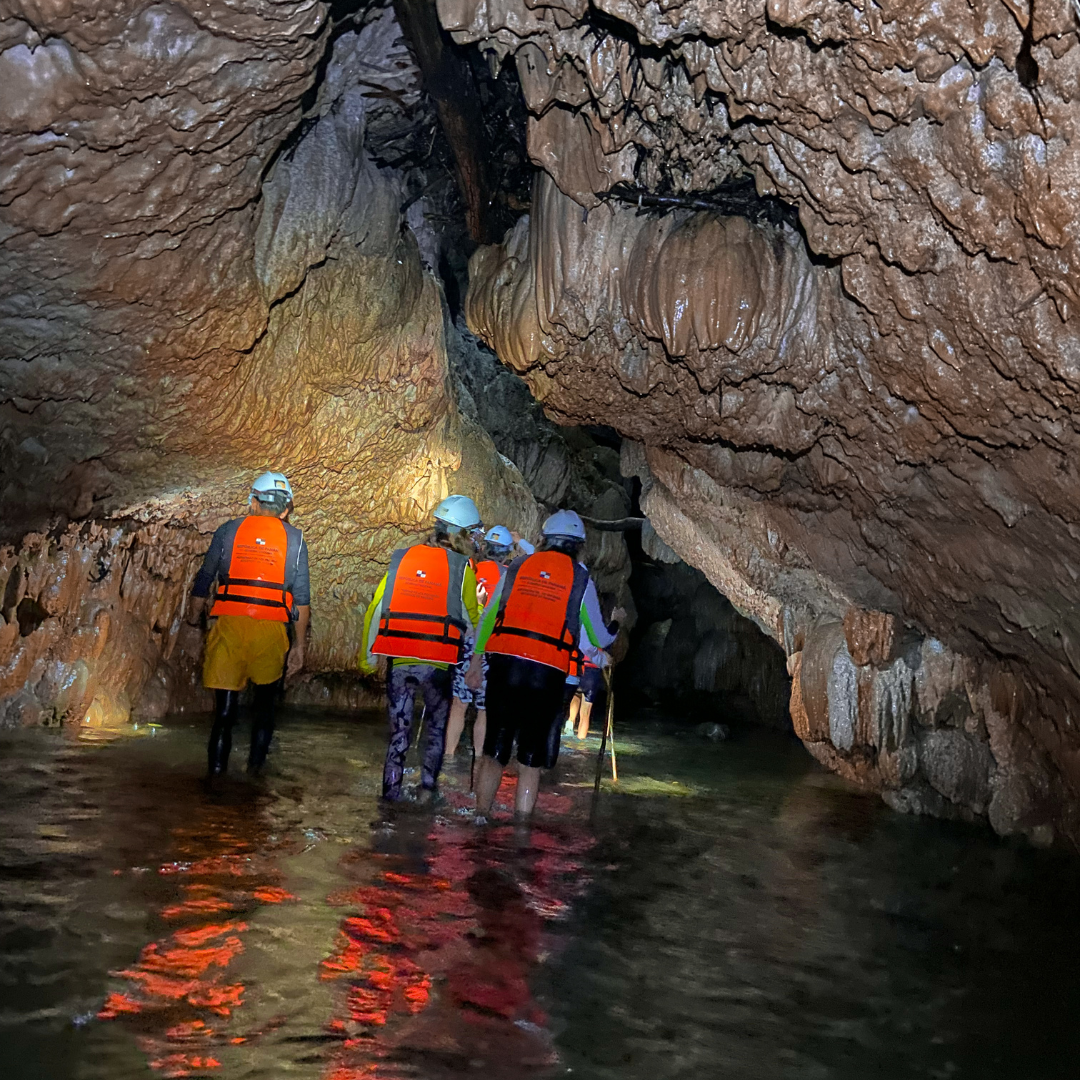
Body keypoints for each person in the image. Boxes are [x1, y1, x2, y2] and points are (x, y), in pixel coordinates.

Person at [471, 509, 620, 819]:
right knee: (530, 758)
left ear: (544, 539)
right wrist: (618, 624)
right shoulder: (581, 579)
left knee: (494, 751)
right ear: (578, 545)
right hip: (547, 672)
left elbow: (488, 618)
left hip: (505, 665)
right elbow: (598, 636)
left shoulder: (518, 566)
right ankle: (521, 832)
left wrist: (475, 662)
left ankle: (480, 815)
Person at [360, 494, 482, 802]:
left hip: (400, 661)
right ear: (463, 534)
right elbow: (471, 622)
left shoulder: (403, 558)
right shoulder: (463, 568)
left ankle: (389, 799)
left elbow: (376, 609)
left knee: (398, 735)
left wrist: (368, 658)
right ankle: (427, 794)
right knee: (434, 732)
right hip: (437, 665)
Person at [188, 471, 310, 776]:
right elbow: (302, 599)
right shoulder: (295, 540)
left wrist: (192, 623)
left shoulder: (228, 530)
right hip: (270, 631)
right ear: (285, 509)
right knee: (264, 709)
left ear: (253, 501)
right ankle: (255, 780)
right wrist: (299, 646)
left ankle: (215, 780)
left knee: (224, 713)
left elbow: (204, 581)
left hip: (230, 625)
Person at [445, 525, 515, 759]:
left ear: (485, 548)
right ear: (506, 553)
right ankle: (478, 759)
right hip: (494, 647)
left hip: (467, 643)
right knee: (485, 710)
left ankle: (448, 756)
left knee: (459, 704)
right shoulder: (511, 577)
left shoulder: (471, 569)